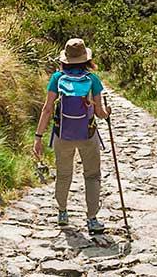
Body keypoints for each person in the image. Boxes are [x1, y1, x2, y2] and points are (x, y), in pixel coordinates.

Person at [33, 37, 110, 234]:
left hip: (62, 134)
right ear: (85, 59)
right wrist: (107, 112)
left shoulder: (57, 78)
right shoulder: (92, 79)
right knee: (92, 175)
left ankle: (62, 213)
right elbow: (100, 113)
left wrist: (38, 136)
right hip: (88, 134)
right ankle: (92, 219)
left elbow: (47, 109)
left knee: (64, 174)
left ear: (65, 59)